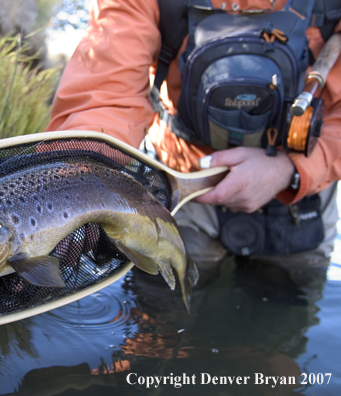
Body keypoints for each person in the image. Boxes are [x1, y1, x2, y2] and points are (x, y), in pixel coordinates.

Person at [45, 0, 341, 273]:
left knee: (289, 313)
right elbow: (105, 94)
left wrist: (290, 170)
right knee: (163, 315)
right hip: (180, 191)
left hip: (302, 189)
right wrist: (77, 177)